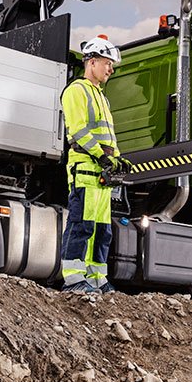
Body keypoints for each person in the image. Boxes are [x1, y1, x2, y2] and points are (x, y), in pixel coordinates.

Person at [60, 35, 131, 292]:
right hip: (85, 170)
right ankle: (74, 279)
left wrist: (116, 159)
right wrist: (101, 156)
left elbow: (108, 136)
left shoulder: (101, 96)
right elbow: (78, 130)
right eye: (107, 63)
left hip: (100, 174)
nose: (111, 69)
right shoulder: (76, 90)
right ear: (91, 62)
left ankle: (97, 279)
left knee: (102, 230)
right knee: (81, 225)